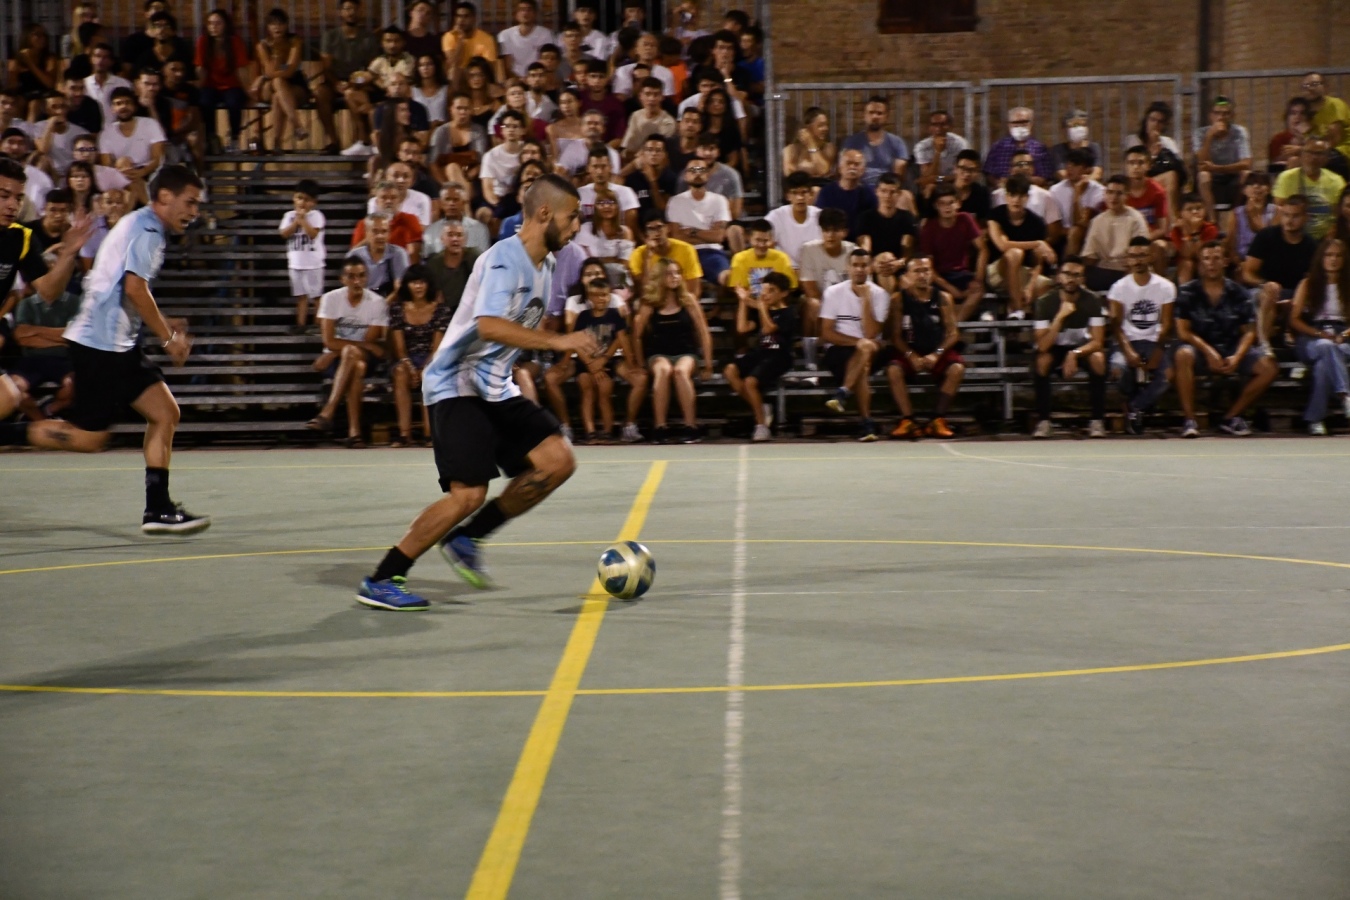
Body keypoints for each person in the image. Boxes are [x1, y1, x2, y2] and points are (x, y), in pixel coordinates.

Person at [357, 175, 597, 609]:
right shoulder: (504, 259)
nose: (577, 226)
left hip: (494, 385)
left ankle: (468, 539)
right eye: (572, 217)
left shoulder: (546, 266)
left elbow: (514, 332)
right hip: (456, 382)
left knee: (557, 461)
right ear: (545, 213)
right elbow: (488, 325)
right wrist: (559, 341)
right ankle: (383, 577)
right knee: (468, 494)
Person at [25, 165, 210, 533]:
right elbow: (135, 289)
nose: (194, 211)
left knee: (165, 413)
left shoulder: (140, 223)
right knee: (89, 439)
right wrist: (168, 338)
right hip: (101, 345)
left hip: (115, 344)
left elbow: (126, 289)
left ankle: (158, 509)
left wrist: (163, 322)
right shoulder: (148, 231)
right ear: (165, 197)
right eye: (190, 202)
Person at [0, 160, 91, 426]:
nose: (12, 205)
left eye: (18, 198)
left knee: (8, 397)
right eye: (4, 196)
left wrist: (68, 253)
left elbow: (49, 292)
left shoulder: (21, 238)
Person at [1170, 242, 1277, 437]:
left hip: (1230, 347)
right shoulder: (1187, 292)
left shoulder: (1239, 292)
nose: (1211, 263)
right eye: (1206, 259)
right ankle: (1190, 420)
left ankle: (1231, 417)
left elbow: (1249, 331)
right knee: (1182, 354)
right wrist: (1208, 352)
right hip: (1200, 348)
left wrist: (1237, 357)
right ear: (1200, 263)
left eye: (1216, 258)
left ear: (1225, 262)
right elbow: (1183, 331)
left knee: (1269, 368)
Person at [544, 257, 646, 443]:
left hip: (609, 358)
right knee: (585, 388)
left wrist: (628, 362)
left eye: (598, 273)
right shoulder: (580, 310)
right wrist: (578, 363)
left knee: (608, 390)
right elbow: (573, 337)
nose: (601, 299)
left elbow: (622, 337)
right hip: (583, 358)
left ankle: (619, 429)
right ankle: (580, 430)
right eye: (588, 274)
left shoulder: (614, 306)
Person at [307, 257, 388, 446]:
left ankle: (328, 412)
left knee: (354, 355)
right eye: (351, 276)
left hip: (361, 357)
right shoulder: (331, 299)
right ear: (342, 279)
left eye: (361, 276)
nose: (357, 281)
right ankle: (354, 433)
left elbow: (370, 341)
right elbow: (329, 340)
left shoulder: (377, 302)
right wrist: (340, 351)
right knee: (356, 367)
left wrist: (334, 352)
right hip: (341, 359)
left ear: (367, 277)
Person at [633, 256, 714, 443]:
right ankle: (660, 427)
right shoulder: (649, 303)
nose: (675, 277)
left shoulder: (688, 300)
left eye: (677, 273)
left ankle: (691, 425)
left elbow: (704, 332)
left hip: (686, 352)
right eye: (669, 274)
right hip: (658, 353)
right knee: (663, 370)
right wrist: (639, 363)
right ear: (660, 277)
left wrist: (708, 364)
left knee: (680, 371)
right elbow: (636, 336)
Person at [883, 255, 964, 439]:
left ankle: (938, 419)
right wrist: (911, 355)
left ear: (932, 273)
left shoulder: (943, 298)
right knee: (893, 370)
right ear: (908, 275)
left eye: (926, 270)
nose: (922, 275)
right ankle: (907, 420)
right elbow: (895, 336)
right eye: (917, 271)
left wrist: (936, 354)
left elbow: (953, 333)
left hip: (936, 350)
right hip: (909, 351)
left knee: (957, 369)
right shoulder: (899, 299)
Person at [1031, 256, 1107, 438]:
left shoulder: (1093, 300)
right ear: (1059, 277)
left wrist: (1074, 354)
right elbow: (1042, 345)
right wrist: (1059, 318)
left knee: (1098, 359)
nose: (1071, 279)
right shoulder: (1044, 302)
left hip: (1082, 348)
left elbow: (1098, 341)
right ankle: (1044, 421)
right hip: (1054, 347)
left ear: (1083, 279)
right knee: (1042, 361)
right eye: (1066, 274)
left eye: (1076, 275)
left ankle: (1097, 421)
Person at [1107, 237, 1176, 434]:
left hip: (1153, 340)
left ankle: (1134, 407)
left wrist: (1158, 351)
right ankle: (1133, 402)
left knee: (1167, 375)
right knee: (1118, 368)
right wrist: (1128, 351)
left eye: (1142, 255)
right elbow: (1116, 326)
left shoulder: (1165, 286)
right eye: (1133, 256)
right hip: (1126, 340)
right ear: (1127, 259)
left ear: (1151, 256)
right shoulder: (1118, 288)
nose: (1138, 260)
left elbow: (1167, 324)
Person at [820, 249, 890, 441]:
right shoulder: (833, 292)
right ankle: (866, 422)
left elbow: (871, 333)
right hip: (840, 348)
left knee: (866, 349)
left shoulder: (880, 294)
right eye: (855, 265)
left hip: (873, 348)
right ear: (848, 268)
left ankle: (843, 393)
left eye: (864, 266)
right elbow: (826, 332)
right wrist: (858, 342)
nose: (859, 270)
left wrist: (866, 299)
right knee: (863, 363)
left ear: (871, 268)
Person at [725, 271, 797, 442]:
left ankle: (761, 426)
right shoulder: (763, 310)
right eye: (764, 290)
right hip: (762, 353)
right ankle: (760, 407)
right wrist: (743, 301)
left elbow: (768, 329)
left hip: (780, 355)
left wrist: (761, 307)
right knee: (730, 370)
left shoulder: (788, 313)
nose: (765, 294)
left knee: (750, 382)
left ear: (783, 293)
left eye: (771, 290)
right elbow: (742, 328)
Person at [1290, 237, 1350, 433]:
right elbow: (1294, 320)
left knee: (1323, 366)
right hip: (1312, 336)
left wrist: (1344, 335)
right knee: (1326, 346)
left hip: (1342, 336)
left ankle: (1315, 419)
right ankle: (1345, 396)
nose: (1333, 259)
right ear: (1321, 258)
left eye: (1338, 256)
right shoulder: (1308, 284)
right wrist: (1320, 333)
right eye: (1328, 255)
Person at [1241, 195, 1317, 348]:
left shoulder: (1312, 246)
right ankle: (1264, 346)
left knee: (1299, 302)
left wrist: (1296, 298)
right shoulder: (1266, 236)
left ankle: (1286, 337)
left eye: (1295, 216)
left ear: (1306, 218)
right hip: (1261, 291)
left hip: (1294, 295)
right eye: (1286, 215)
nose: (1289, 220)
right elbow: (1247, 273)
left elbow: (1313, 281)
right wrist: (1266, 284)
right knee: (1271, 292)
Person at [389, 264, 452, 446]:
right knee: (400, 373)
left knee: (429, 374)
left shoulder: (441, 310)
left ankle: (429, 434)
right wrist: (410, 366)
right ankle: (404, 434)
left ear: (429, 284)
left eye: (422, 282)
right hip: (406, 358)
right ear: (407, 285)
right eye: (414, 282)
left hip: (433, 359)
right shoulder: (397, 309)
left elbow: (437, 348)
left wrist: (424, 368)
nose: (418, 286)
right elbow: (399, 348)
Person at [986, 174, 1055, 319]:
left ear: (1027, 198)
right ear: (1006, 196)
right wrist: (1038, 243)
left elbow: (1038, 261)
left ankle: (1018, 315)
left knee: (1047, 285)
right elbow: (1003, 245)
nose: (1016, 200)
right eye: (1012, 195)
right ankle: (1017, 309)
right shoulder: (995, 216)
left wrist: (1030, 286)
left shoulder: (1036, 222)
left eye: (1021, 196)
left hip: (1022, 271)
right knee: (1015, 253)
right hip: (997, 271)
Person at [318, 0, 380, 154]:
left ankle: (363, 140)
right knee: (320, 93)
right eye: (347, 9)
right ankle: (333, 141)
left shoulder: (368, 38)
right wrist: (336, 83)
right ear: (340, 12)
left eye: (354, 9)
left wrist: (355, 83)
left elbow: (372, 69)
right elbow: (326, 68)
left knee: (357, 94)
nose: (351, 12)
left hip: (359, 81)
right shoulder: (330, 36)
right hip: (335, 80)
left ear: (360, 11)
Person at [918, 184, 986, 321]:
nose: (947, 207)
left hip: (962, 274)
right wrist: (951, 289)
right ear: (936, 206)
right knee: (933, 294)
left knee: (978, 290)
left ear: (958, 203)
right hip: (939, 278)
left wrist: (978, 280)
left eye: (951, 203)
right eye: (942, 204)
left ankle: (954, 324)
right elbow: (929, 267)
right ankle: (954, 321)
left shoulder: (965, 219)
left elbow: (983, 249)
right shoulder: (929, 228)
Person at [667, 158, 731, 289]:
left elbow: (718, 237)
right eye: (693, 170)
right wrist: (707, 234)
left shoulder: (719, 200)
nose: (697, 174)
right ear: (686, 176)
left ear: (708, 175)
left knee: (728, 278)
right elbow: (676, 237)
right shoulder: (675, 201)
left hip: (711, 252)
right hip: (683, 252)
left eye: (701, 170)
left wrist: (692, 231)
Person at [252, 9, 310, 152]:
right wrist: (276, 55)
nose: (277, 27)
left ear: (286, 25)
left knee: (278, 95)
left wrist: (275, 73)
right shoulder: (262, 45)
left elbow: (291, 71)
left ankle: (277, 143)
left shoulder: (294, 41)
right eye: (273, 24)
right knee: (278, 83)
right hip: (271, 86)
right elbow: (268, 72)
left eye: (281, 24)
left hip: (295, 84)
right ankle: (297, 125)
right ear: (267, 27)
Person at [1081, 175, 1149, 292]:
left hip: (1126, 270)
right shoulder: (1097, 220)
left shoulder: (1136, 219)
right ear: (1105, 194)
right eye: (1110, 192)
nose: (1113, 197)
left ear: (1127, 196)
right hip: (1102, 270)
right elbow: (1090, 256)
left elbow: (1140, 254)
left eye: (1119, 193)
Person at [98, 87, 165, 206]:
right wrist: (124, 175)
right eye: (118, 103)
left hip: (149, 171)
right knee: (124, 163)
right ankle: (152, 209)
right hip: (121, 173)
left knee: (135, 181)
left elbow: (157, 158)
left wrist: (142, 172)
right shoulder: (106, 133)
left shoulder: (150, 124)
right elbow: (107, 165)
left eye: (127, 102)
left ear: (134, 106)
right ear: (112, 109)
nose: (123, 106)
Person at [1274, 138, 1346, 241]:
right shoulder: (1287, 178)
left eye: (1319, 153)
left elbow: (1338, 216)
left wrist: (1328, 241)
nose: (1313, 157)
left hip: (1325, 239)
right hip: (1293, 236)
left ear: (1327, 158)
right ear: (1302, 154)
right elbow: (1279, 211)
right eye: (1309, 152)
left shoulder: (1336, 181)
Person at [1193, 97, 1252, 222]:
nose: (1221, 117)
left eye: (1226, 113)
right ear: (1210, 116)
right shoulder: (1200, 133)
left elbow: (1247, 163)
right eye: (1217, 113)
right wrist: (1209, 137)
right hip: (1212, 179)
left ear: (1232, 116)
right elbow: (1201, 163)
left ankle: (1235, 219)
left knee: (1246, 174)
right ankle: (1212, 221)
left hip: (1233, 176)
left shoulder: (1239, 132)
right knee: (1203, 175)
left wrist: (1217, 168)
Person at [280, 180, 327, 333]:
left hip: (314, 264)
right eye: (299, 198)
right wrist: (296, 222)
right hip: (296, 264)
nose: (302, 202)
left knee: (316, 295)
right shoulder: (288, 216)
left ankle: (318, 324)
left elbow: (313, 234)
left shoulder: (317, 216)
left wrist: (303, 220)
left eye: (307, 200)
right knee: (301, 295)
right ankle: (301, 324)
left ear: (314, 202)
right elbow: (284, 233)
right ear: (294, 198)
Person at [1126, 101, 1185, 221]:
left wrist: (1162, 151)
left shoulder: (1168, 142)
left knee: (1172, 177)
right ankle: (1173, 220)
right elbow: (1135, 168)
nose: (1155, 124)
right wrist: (1152, 156)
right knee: (1170, 177)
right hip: (1138, 180)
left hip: (1160, 181)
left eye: (1160, 122)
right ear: (1146, 121)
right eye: (1152, 120)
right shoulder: (1133, 141)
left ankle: (1171, 219)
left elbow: (1179, 166)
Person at [629, 208, 702, 296]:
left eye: (659, 227)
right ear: (645, 234)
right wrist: (647, 258)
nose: (657, 233)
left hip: (681, 298)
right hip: (654, 300)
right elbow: (644, 291)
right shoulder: (637, 254)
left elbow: (694, 290)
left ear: (668, 228)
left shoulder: (686, 249)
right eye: (651, 229)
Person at [842, 96, 909, 190]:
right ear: (864, 115)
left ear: (887, 117)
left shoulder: (897, 143)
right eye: (871, 112)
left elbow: (898, 175)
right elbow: (844, 170)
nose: (875, 117)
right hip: (858, 189)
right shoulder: (852, 142)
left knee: (907, 196)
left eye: (879, 113)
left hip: (886, 189)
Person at [1048, 147, 1105, 257]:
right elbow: (1054, 227)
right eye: (1068, 164)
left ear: (1088, 170)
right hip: (1060, 237)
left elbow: (1081, 223)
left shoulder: (1099, 191)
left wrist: (1076, 194)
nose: (1069, 168)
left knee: (1076, 231)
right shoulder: (1055, 190)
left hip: (1089, 237)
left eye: (1075, 165)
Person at [729, 219, 797, 304]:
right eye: (758, 240)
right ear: (750, 239)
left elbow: (789, 288)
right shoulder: (739, 258)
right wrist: (758, 306)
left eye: (765, 241)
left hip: (775, 306)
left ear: (772, 240)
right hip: (749, 305)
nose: (761, 245)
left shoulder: (782, 258)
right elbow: (739, 290)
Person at [354, 179, 423, 261]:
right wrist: (371, 237)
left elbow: (414, 254)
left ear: (399, 201)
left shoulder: (410, 220)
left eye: (393, 198)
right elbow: (354, 254)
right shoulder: (364, 224)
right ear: (377, 201)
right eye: (384, 197)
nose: (389, 201)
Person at [815, 149, 876, 241]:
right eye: (848, 163)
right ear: (840, 168)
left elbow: (872, 223)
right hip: (832, 240)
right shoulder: (826, 192)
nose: (852, 167)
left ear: (863, 170)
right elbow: (821, 220)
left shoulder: (869, 194)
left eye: (856, 164)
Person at [766, 171, 822, 270]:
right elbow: (765, 244)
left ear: (811, 194)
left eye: (804, 192)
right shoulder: (775, 217)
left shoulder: (820, 216)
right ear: (787, 196)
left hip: (816, 270)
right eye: (794, 193)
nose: (800, 198)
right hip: (785, 271)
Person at [984, 107, 1052, 187]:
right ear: (1009, 125)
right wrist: (999, 184)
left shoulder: (1040, 148)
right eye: (1015, 123)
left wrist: (1017, 180)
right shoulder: (998, 147)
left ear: (1031, 123)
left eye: (1024, 122)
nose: (1020, 126)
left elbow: (1045, 176)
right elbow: (989, 174)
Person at [425, 219, 479, 317]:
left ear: (465, 239)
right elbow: (436, 297)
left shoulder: (474, 257)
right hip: (444, 314)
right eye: (450, 235)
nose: (455, 239)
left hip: (472, 311)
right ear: (442, 239)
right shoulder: (434, 263)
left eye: (459, 235)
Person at [346, 211, 410, 294]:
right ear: (366, 232)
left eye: (384, 231)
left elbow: (400, 288)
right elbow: (351, 287)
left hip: (389, 299)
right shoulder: (354, 256)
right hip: (362, 298)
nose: (380, 236)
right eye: (375, 231)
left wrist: (381, 302)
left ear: (389, 233)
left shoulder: (399, 253)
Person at [31, 92, 89, 180]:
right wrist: (50, 125)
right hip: (50, 174)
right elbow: (43, 149)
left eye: (63, 106)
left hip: (73, 174)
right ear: (45, 109)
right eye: (54, 107)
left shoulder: (80, 131)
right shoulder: (38, 127)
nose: (60, 111)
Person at [1224, 172, 1277, 266]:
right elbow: (1230, 246)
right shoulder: (1236, 213)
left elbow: (1273, 243)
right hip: (1242, 262)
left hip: (1268, 261)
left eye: (1262, 183)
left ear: (1269, 189)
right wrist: (1239, 264)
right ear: (1244, 190)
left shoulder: (1277, 211)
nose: (1256, 186)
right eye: (1251, 183)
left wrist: (1252, 215)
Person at [1303, 72, 1350, 178]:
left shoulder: (1334, 104)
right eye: (1306, 86)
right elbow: (1305, 139)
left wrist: (1303, 150)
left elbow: (1334, 140)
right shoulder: (1306, 113)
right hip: (1320, 151)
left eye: (1314, 84)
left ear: (1325, 87)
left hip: (1343, 151)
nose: (1309, 88)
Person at [425, 182, 490, 256]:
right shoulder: (431, 230)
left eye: (456, 199)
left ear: (463, 203)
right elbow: (427, 259)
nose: (451, 203)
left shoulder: (479, 229)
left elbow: (485, 258)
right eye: (447, 199)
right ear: (441, 203)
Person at [441, 2, 499, 84]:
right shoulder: (449, 36)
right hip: (459, 78)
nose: (461, 20)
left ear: (474, 18)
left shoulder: (487, 38)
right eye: (458, 16)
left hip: (478, 76)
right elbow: (454, 63)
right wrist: (461, 40)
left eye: (466, 16)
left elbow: (489, 67)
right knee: (453, 71)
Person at [1168, 193, 1219, 284]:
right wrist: (1186, 232)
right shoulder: (1177, 230)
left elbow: (1201, 254)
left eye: (1199, 208)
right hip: (1183, 264)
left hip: (1204, 261)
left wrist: (1195, 231)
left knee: (1205, 265)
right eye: (1189, 209)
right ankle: (1185, 291)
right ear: (1180, 213)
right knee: (1188, 264)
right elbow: (1187, 254)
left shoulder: (1210, 228)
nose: (1195, 212)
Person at [621, 77, 676, 160]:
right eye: (647, 94)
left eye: (656, 94)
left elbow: (656, 154)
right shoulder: (635, 115)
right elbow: (627, 148)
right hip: (634, 159)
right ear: (640, 96)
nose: (651, 99)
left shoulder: (668, 122)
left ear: (662, 97)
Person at [498, 0, 555, 80]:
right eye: (522, 10)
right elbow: (507, 66)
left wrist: (532, 78)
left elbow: (546, 61)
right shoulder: (505, 35)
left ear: (535, 13)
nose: (525, 13)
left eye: (529, 10)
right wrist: (519, 79)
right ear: (516, 14)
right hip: (515, 79)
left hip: (538, 77)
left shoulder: (545, 34)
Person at [913, 109, 969, 186]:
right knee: (928, 186)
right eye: (934, 125)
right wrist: (937, 152)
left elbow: (965, 172)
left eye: (942, 124)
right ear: (929, 127)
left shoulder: (960, 143)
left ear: (950, 126)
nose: (938, 129)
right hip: (934, 182)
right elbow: (927, 176)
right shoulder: (921, 146)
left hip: (955, 180)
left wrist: (940, 179)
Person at [625, 134, 677, 215]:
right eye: (649, 150)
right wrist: (632, 165)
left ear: (665, 155)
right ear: (643, 153)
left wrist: (652, 181)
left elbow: (664, 210)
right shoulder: (632, 178)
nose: (654, 153)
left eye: (658, 150)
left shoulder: (670, 178)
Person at [83, 43, 132, 126]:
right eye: (97, 56)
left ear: (111, 61)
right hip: (91, 131)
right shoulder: (84, 84)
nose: (100, 60)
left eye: (105, 57)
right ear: (91, 59)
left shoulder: (123, 84)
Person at [1049, 109, 1103, 181]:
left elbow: (1097, 173)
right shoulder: (1058, 150)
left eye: (1082, 125)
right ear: (1064, 130)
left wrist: (1084, 184)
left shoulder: (1094, 147)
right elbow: (1061, 174)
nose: (1079, 128)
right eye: (1074, 125)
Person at [782, 107, 834, 181]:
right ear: (807, 127)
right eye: (820, 125)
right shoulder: (790, 150)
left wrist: (811, 145)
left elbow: (823, 170)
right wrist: (814, 173)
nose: (826, 128)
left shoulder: (829, 148)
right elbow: (789, 173)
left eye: (826, 125)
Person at [1269, 96, 1311, 173]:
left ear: (1308, 118)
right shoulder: (1279, 139)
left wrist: (1303, 141)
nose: (1297, 117)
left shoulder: (1313, 138)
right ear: (1287, 118)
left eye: (1302, 113)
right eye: (1293, 113)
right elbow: (1275, 165)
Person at [413, 54, 449, 131]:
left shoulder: (446, 89)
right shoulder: (412, 90)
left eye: (429, 64)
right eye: (421, 65)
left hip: (442, 130)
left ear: (436, 66)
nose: (425, 68)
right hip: (421, 132)